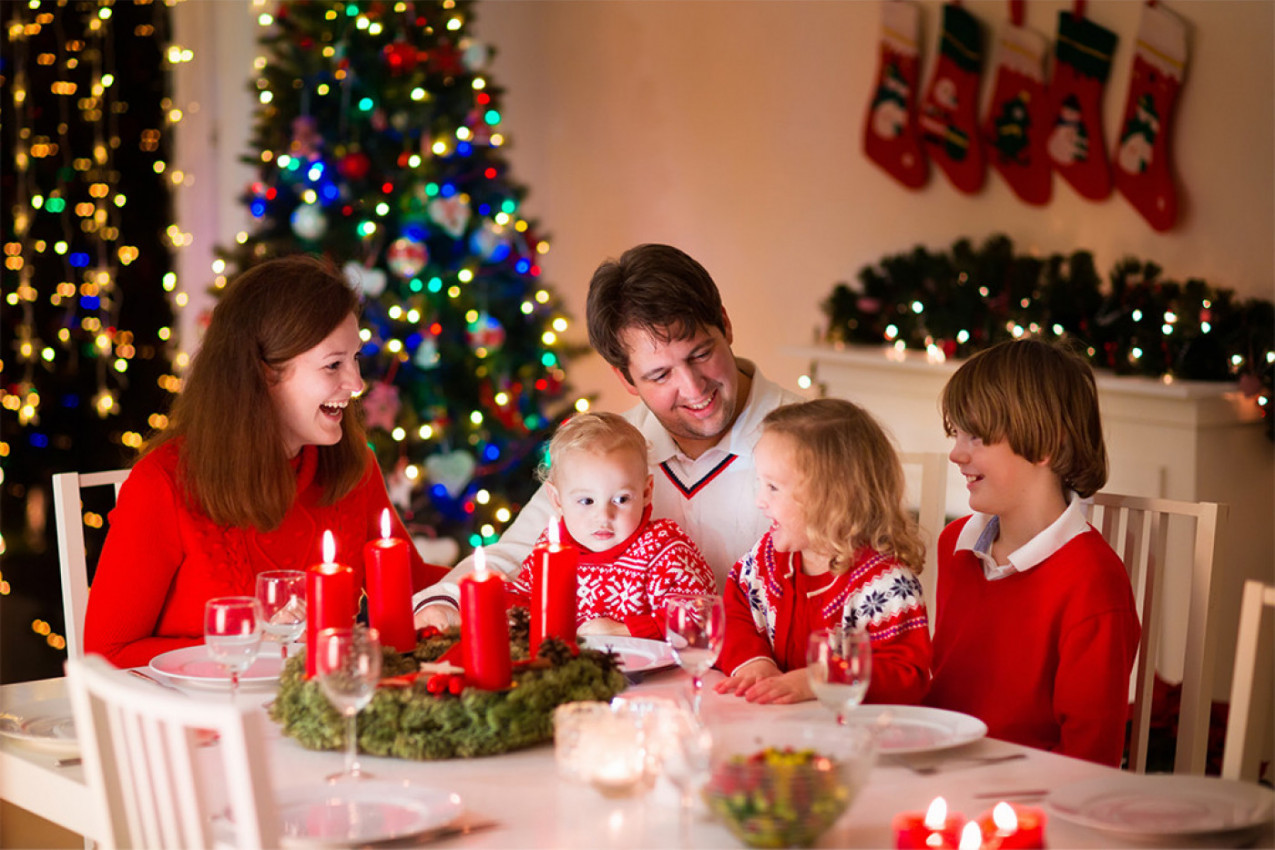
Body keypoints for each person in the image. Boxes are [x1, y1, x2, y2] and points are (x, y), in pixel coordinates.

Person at [83, 255, 447, 668]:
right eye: (333, 365)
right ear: (263, 374)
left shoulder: (353, 469)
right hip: (203, 726)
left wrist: (506, 573)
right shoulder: (163, 484)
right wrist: (250, 645)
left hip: (326, 721)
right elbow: (105, 656)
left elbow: (418, 590)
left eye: (356, 359)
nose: (357, 384)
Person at [414, 243, 802, 627]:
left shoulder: (819, 439)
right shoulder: (609, 448)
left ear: (725, 324)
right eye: (660, 375)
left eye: (700, 354)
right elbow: (514, 555)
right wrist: (446, 603)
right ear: (626, 378)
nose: (693, 387)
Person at [923, 337, 1140, 767]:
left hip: (1025, 805)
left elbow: (1088, 761)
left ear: (1045, 444)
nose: (956, 452)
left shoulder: (1092, 581)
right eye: (956, 433)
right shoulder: (956, 546)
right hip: (935, 772)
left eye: (977, 436)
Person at [714, 398, 933, 705]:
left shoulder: (884, 584)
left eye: (773, 487)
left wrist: (820, 679)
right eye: (760, 484)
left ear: (832, 498)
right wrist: (753, 661)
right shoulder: (768, 559)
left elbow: (907, 676)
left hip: (855, 738)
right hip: (778, 730)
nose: (760, 500)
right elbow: (733, 611)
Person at [506, 411, 714, 639]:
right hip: (570, 670)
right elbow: (523, 599)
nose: (604, 516)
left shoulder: (663, 548)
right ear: (557, 500)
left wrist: (625, 631)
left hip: (659, 672)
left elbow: (699, 616)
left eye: (621, 499)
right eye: (586, 501)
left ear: (646, 492)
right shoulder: (551, 548)